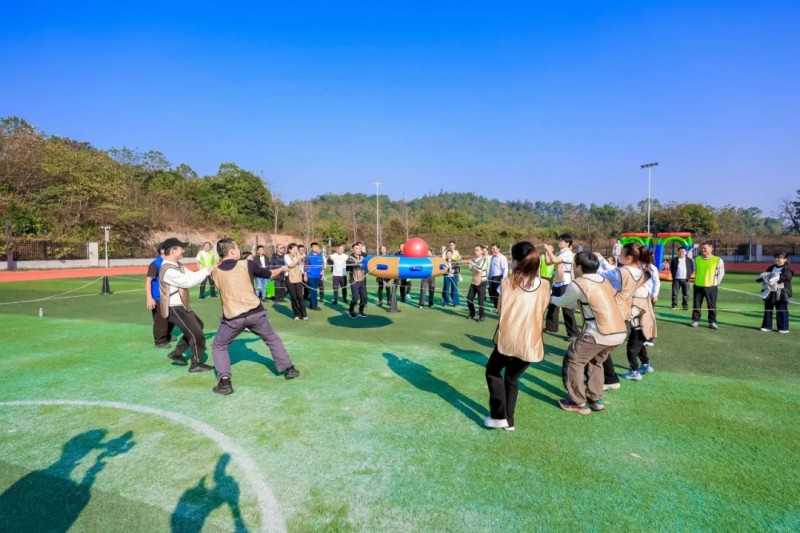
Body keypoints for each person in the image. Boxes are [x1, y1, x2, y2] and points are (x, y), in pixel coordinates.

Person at [209, 239, 299, 395]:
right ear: (231, 251)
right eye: (237, 247)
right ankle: (288, 369)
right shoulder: (246, 264)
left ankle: (224, 382)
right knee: (271, 338)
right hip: (255, 312)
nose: (239, 250)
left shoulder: (214, 271)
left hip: (232, 317)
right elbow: (269, 274)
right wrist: (283, 268)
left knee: (219, 346)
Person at [484, 241, 550, 431]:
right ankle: (509, 421)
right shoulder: (545, 285)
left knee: (493, 371)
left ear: (516, 261)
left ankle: (498, 416)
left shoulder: (506, 283)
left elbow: (499, 310)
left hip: (510, 340)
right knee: (512, 378)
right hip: (532, 342)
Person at [551, 252, 628, 414]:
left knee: (574, 359)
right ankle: (595, 398)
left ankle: (577, 401)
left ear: (578, 267)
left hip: (599, 331)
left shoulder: (579, 283)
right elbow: (574, 304)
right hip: (619, 331)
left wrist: (547, 297)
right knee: (595, 361)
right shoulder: (604, 280)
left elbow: (562, 302)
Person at [595, 243, 649, 389]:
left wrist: (599, 261)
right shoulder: (640, 273)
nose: (619, 256)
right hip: (625, 312)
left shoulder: (621, 272)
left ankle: (607, 379)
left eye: (622, 253)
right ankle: (607, 378)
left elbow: (600, 275)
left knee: (600, 346)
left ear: (629, 257)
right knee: (604, 346)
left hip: (613, 311)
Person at [158, 238, 215, 373]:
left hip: (181, 306)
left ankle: (177, 353)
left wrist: (208, 269)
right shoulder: (168, 269)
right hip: (175, 307)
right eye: (181, 248)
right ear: (173, 250)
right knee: (197, 335)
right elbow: (189, 282)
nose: (183, 251)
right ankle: (196, 364)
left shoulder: (177, 264)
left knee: (197, 326)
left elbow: (193, 275)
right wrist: (208, 271)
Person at [621, 247, 659, 381]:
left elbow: (635, 310)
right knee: (640, 345)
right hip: (641, 325)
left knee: (631, 349)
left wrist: (623, 316)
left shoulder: (640, 291)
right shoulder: (640, 288)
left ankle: (634, 371)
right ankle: (646, 364)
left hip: (640, 326)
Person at [544, 234, 579, 339]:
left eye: (561, 241)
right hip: (558, 282)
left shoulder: (568, 253)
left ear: (567, 243)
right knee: (552, 305)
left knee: (566, 307)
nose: (559, 242)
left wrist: (549, 250)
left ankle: (574, 333)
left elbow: (554, 260)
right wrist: (547, 252)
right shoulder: (560, 252)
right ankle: (551, 327)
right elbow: (548, 262)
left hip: (565, 282)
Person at [145, 242, 174, 349]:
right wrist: (149, 298)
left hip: (168, 296)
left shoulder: (168, 263)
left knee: (170, 318)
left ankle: (167, 335)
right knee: (160, 320)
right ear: (163, 251)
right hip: (158, 297)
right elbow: (148, 280)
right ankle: (159, 341)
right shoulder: (155, 264)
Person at [692, 241, 725, 329]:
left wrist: (716, 283)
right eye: (702, 248)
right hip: (698, 285)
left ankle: (712, 322)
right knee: (697, 304)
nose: (703, 250)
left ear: (711, 248)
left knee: (711, 305)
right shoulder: (697, 259)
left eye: (705, 248)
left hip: (711, 286)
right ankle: (695, 320)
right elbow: (695, 271)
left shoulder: (718, 260)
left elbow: (721, 273)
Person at [758, 252, 793, 333]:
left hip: (781, 293)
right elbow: (764, 276)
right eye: (776, 258)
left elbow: (783, 278)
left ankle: (783, 328)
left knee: (781, 309)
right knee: (768, 309)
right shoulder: (771, 267)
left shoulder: (787, 269)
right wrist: (763, 277)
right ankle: (767, 326)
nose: (777, 259)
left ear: (785, 259)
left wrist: (771, 278)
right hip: (769, 292)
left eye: (780, 258)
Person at [284, 243, 307, 320]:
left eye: (296, 249)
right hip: (289, 278)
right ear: (289, 250)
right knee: (293, 297)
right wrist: (298, 258)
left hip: (298, 277)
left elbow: (303, 264)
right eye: (293, 249)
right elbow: (291, 265)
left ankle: (304, 314)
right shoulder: (286, 256)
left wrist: (301, 257)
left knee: (300, 296)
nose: (295, 251)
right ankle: (297, 314)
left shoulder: (299, 256)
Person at [466, 245, 488, 322]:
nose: (475, 251)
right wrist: (469, 265)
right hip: (474, 281)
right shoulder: (474, 259)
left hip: (482, 282)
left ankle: (482, 316)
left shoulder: (484, 259)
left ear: (482, 251)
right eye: (475, 250)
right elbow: (472, 270)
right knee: (469, 298)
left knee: (480, 300)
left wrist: (472, 263)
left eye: (477, 250)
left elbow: (480, 269)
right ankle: (472, 313)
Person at [347, 242, 367, 318]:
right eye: (356, 248)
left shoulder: (363, 257)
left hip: (362, 280)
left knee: (364, 298)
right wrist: (361, 264)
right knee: (355, 298)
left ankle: (361, 310)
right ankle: (351, 311)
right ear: (353, 249)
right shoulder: (350, 258)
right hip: (354, 281)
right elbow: (354, 265)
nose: (358, 250)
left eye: (359, 248)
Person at [487, 244, 509, 313]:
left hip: (499, 277)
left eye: (494, 249)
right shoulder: (492, 257)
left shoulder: (502, 258)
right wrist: (489, 276)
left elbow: (505, 269)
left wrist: (503, 279)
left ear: (498, 249)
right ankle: (496, 307)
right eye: (492, 249)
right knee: (493, 293)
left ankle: (502, 308)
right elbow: (491, 268)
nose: (492, 250)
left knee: (499, 293)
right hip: (492, 277)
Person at [305, 242, 325, 310]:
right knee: (314, 291)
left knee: (313, 290)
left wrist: (323, 275)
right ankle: (314, 306)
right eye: (314, 247)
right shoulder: (308, 256)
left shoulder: (320, 256)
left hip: (318, 276)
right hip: (310, 276)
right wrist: (305, 275)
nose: (316, 248)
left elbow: (322, 266)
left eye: (317, 247)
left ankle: (311, 304)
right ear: (311, 248)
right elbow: (306, 267)